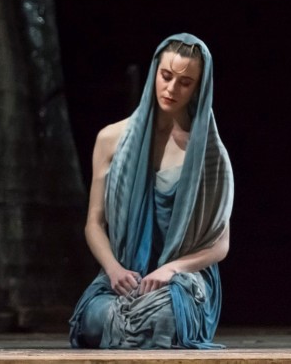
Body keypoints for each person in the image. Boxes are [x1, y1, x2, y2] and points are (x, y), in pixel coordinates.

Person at [69, 33, 234, 349]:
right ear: (154, 73)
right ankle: (138, 328)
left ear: (198, 88)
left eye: (185, 82)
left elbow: (220, 245)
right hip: (125, 278)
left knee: (164, 316)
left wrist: (171, 269)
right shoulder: (111, 139)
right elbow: (94, 223)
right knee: (92, 318)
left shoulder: (209, 155)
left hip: (180, 283)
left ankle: (139, 328)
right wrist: (114, 269)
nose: (171, 89)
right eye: (166, 76)